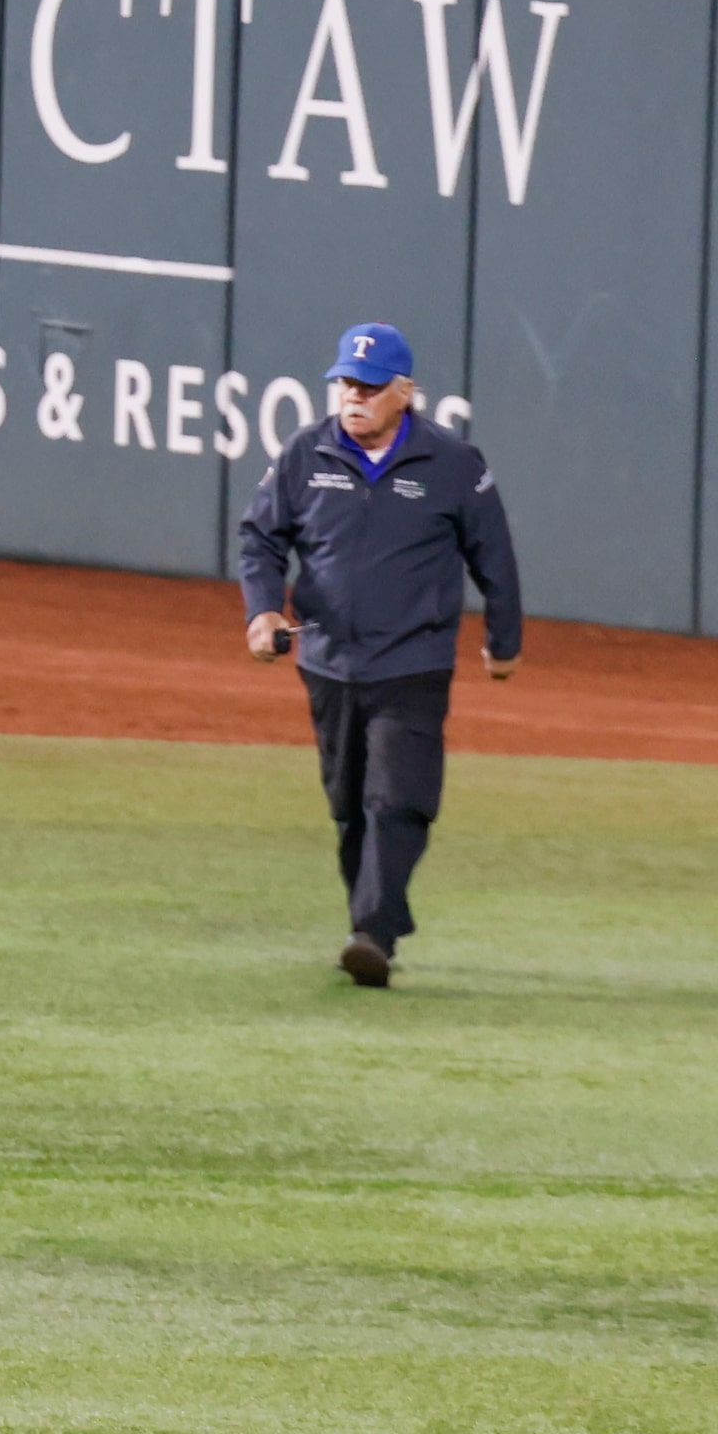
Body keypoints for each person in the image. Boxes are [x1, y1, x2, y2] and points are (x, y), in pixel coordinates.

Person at [240, 323, 522, 989]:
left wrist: (503, 641)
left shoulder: (453, 464)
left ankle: (373, 931)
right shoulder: (305, 455)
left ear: (404, 393)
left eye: (368, 388)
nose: (353, 398)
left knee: (397, 799)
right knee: (348, 804)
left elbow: (496, 558)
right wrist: (262, 610)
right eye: (345, 384)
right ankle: (365, 921)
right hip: (328, 661)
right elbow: (261, 538)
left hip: (413, 664)